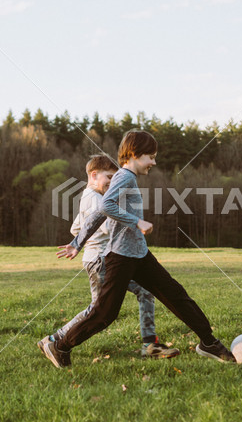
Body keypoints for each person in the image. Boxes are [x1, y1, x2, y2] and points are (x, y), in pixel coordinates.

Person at [43, 130, 236, 368]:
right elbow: (105, 206)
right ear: (134, 154)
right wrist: (137, 221)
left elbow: (97, 214)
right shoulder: (124, 176)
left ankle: (209, 342)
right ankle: (59, 344)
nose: (154, 162)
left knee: (175, 294)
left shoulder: (126, 178)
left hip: (139, 254)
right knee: (104, 314)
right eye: (150, 156)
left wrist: (77, 242)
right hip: (121, 256)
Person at [38, 154, 179, 359]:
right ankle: (54, 341)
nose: (113, 182)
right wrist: (135, 223)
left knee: (145, 291)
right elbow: (107, 227)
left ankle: (150, 344)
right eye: (109, 177)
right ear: (94, 175)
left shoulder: (89, 197)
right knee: (98, 311)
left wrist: (81, 240)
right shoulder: (95, 199)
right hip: (101, 261)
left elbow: (76, 226)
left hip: (108, 258)